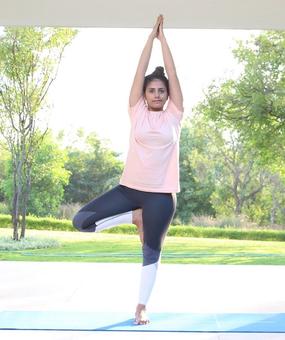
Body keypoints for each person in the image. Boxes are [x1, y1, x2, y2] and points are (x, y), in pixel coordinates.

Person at [72, 14, 184, 325]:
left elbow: (172, 72)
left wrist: (166, 42)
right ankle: (133, 217)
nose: (158, 94)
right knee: (81, 221)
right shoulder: (136, 111)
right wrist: (151, 39)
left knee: (151, 253)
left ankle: (140, 307)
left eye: (162, 90)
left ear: (168, 95)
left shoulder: (175, 114)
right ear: (145, 95)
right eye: (153, 90)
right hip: (130, 189)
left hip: (161, 196)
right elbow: (138, 71)